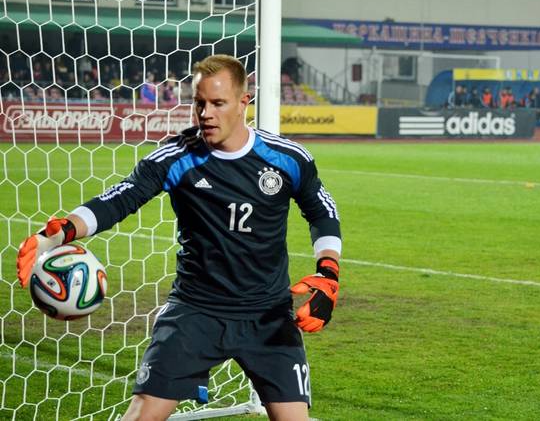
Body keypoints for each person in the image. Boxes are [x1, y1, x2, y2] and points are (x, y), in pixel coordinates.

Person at [16, 54, 342, 421]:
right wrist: (58, 233)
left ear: (243, 102)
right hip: (195, 312)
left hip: (267, 314)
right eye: (199, 102)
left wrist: (328, 274)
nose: (206, 113)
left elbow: (323, 212)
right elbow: (120, 199)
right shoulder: (177, 156)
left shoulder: (288, 158)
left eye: (218, 103)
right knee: (142, 416)